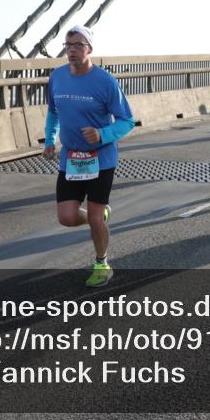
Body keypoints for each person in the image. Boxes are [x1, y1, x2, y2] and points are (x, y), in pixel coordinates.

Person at [44, 25, 135, 287]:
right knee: (67, 217)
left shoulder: (105, 81)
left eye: (77, 46)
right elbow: (54, 112)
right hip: (71, 158)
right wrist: (50, 140)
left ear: (89, 50)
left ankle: (102, 263)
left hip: (101, 158)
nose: (71, 50)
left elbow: (127, 121)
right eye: (67, 46)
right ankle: (99, 218)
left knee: (95, 216)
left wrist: (102, 133)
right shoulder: (57, 77)